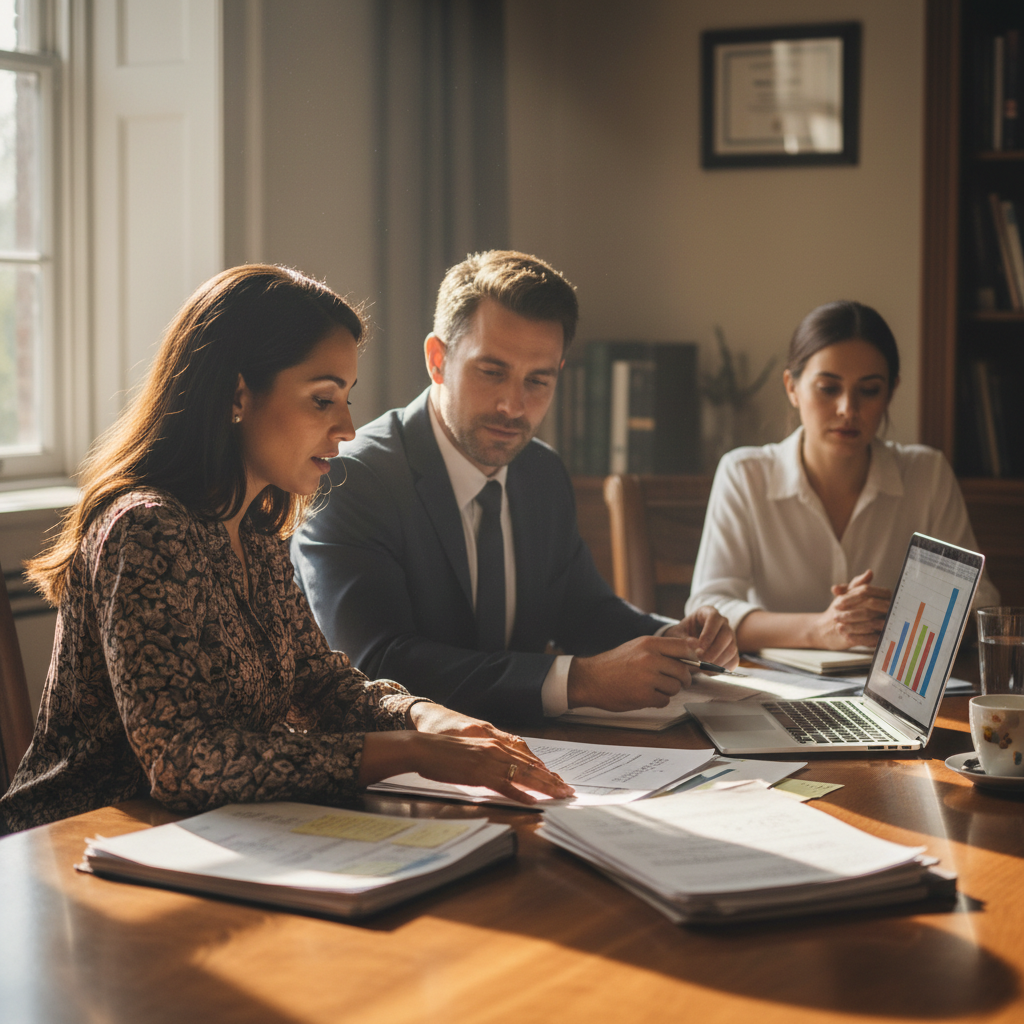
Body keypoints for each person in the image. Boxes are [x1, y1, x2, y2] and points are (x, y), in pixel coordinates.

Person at [0, 265, 572, 835]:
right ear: (237, 394)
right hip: (74, 845)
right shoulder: (145, 529)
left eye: (347, 398)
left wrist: (428, 718)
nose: (348, 428)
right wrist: (409, 752)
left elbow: (319, 684)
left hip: (204, 837)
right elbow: (183, 764)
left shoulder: (252, 530)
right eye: (323, 400)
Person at [290, 250, 737, 725]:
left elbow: (583, 612)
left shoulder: (540, 472)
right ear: (437, 360)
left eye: (538, 381)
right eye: (492, 372)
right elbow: (377, 666)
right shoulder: (352, 478)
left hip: (537, 755)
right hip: (396, 769)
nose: (513, 406)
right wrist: (579, 681)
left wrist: (679, 641)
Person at [685, 300, 1000, 652]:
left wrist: (894, 617)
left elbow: (978, 602)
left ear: (890, 392)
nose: (848, 409)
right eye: (828, 388)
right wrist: (820, 629)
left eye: (869, 390)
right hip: (778, 691)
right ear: (792, 387)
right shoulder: (745, 475)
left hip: (891, 694)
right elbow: (709, 608)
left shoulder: (927, 475)